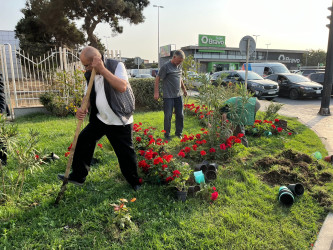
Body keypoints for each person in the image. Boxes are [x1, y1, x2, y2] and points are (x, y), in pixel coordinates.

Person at [58, 46, 141, 191]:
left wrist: (102, 69)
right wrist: (82, 108)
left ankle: (135, 182)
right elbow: (87, 95)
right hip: (100, 119)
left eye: (86, 65)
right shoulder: (89, 74)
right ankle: (78, 176)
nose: (85, 68)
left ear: (95, 61)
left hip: (118, 119)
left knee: (125, 154)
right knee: (83, 141)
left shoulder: (116, 66)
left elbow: (122, 87)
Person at [154, 50, 187, 140]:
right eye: (179, 60)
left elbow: (180, 78)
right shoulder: (165, 66)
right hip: (168, 96)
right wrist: (156, 92)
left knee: (180, 115)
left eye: (181, 61)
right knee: (168, 115)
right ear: (174, 57)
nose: (180, 63)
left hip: (178, 95)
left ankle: (179, 133)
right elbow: (157, 79)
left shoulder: (179, 65)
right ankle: (167, 135)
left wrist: (184, 89)